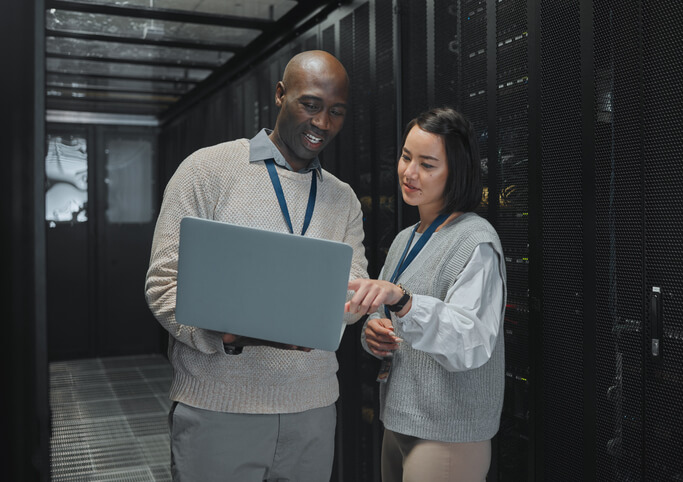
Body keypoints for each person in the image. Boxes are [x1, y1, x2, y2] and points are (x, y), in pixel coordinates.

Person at [145, 50, 368, 482]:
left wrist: (344, 307)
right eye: (311, 104)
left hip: (312, 410)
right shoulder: (207, 170)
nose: (323, 123)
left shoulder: (343, 198)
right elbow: (163, 283)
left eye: (336, 112)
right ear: (280, 95)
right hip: (218, 409)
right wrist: (225, 335)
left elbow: (353, 286)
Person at [346, 107, 507, 481]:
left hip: (448, 434)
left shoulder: (475, 241)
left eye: (427, 164)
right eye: (406, 157)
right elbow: (382, 313)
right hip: (400, 417)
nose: (409, 172)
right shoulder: (407, 237)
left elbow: (470, 341)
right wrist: (373, 334)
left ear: (457, 171)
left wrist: (403, 301)